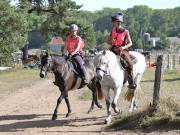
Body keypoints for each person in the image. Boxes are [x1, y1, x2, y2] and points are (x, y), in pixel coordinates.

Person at [108, 13, 137, 89]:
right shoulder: (113, 30)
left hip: (123, 50)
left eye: (114, 22)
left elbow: (130, 43)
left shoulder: (126, 32)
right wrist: (111, 41)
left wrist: (123, 47)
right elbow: (108, 41)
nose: (113, 23)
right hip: (113, 49)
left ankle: (131, 82)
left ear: (119, 22)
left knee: (129, 64)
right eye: (113, 22)